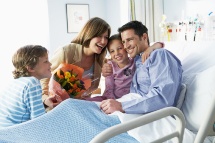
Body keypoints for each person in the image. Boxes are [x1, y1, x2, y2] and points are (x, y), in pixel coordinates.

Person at [100, 20, 183, 114]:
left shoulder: (159, 55)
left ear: (144, 37)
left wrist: (121, 106)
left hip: (143, 113)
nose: (126, 46)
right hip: (129, 106)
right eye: (123, 42)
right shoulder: (136, 59)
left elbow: (163, 96)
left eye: (130, 40)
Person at [40, 17, 111, 109]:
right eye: (99, 36)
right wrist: (45, 99)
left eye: (106, 37)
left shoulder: (101, 60)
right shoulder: (66, 52)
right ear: (89, 34)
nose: (103, 41)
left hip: (78, 107)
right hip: (55, 106)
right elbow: (44, 76)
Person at [86, 34, 163, 101]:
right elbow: (109, 90)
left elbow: (160, 44)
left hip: (129, 99)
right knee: (88, 102)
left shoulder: (135, 61)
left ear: (126, 48)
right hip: (112, 98)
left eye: (119, 48)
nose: (117, 53)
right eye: (112, 51)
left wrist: (150, 48)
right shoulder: (110, 66)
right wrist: (113, 102)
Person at [0, 45, 59, 128]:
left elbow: (25, 109)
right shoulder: (32, 83)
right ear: (31, 68)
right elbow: (39, 121)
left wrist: (44, 104)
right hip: (15, 134)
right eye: (46, 61)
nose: (50, 63)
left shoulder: (18, 81)